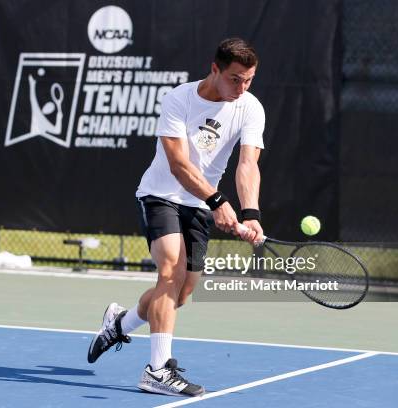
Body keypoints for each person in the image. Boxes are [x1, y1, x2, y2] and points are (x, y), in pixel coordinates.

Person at [87, 37, 265, 397]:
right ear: (215, 69)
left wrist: (250, 214)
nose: (242, 87)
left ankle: (120, 322)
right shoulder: (178, 99)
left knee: (180, 294)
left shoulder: (250, 107)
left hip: (199, 207)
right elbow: (179, 165)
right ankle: (157, 371)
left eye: (248, 80)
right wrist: (218, 201)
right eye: (235, 78)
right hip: (160, 195)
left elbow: (247, 165)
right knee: (171, 269)